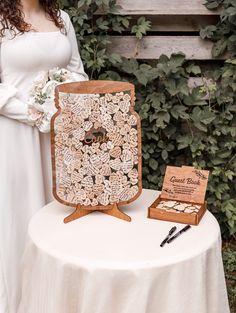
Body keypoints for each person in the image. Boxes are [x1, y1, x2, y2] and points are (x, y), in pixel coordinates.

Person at [0, 0, 88, 312]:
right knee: (18, 218)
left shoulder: (61, 17)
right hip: (13, 137)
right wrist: (34, 114)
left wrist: (74, 111)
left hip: (61, 138)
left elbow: (76, 71)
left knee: (59, 217)